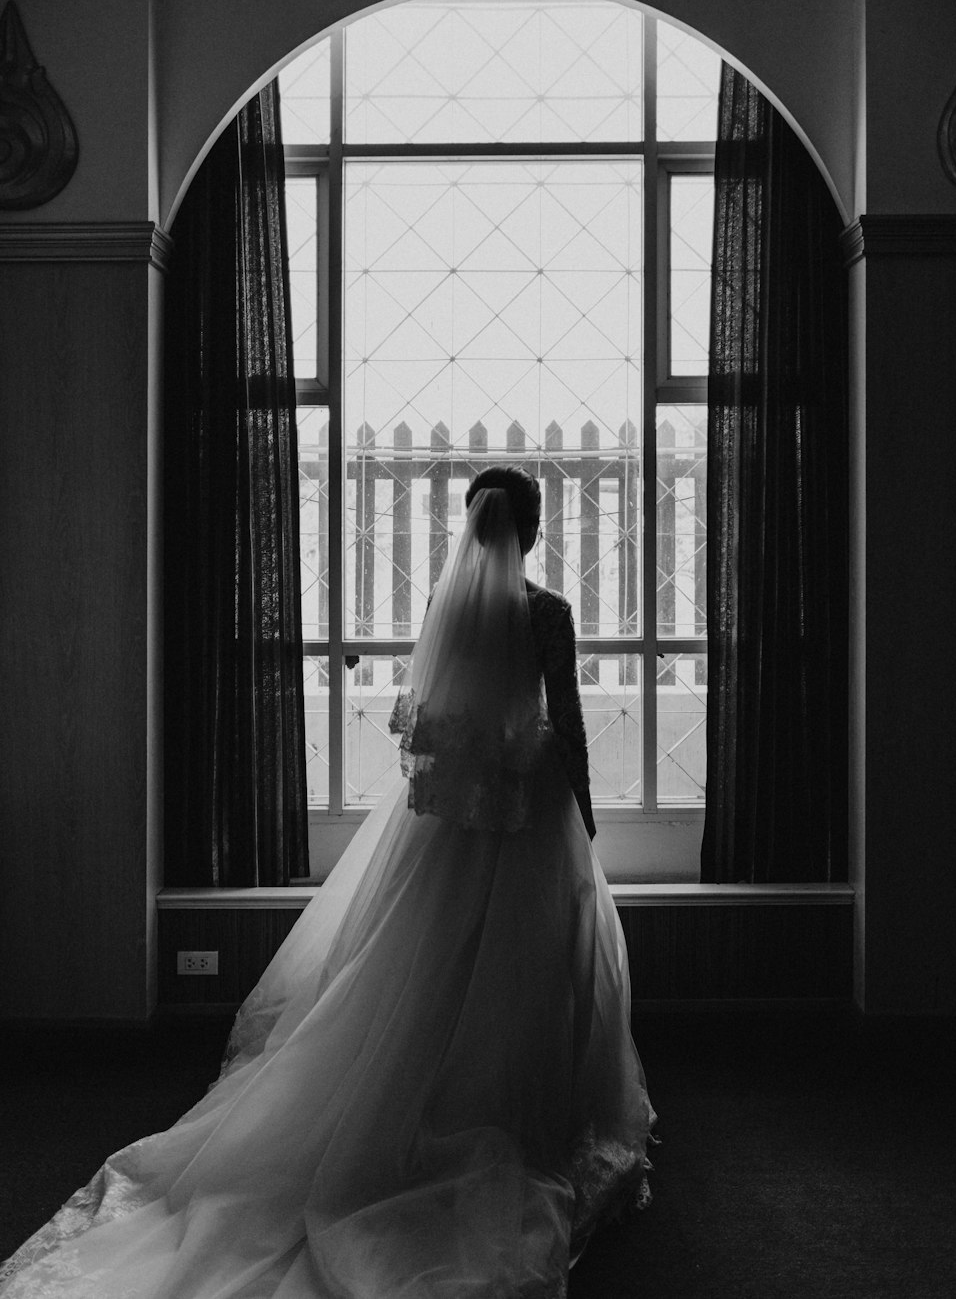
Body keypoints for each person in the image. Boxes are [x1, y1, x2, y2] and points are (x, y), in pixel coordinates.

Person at [1, 467, 654, 1299]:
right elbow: (563, 718)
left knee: (415, 960)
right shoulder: (548, 612)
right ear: (529, 529)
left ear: (470, 530)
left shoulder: (443, 610)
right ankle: (519, 1111)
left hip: (448, 818)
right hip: (526, 813)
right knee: (534, 961)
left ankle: (412, 1094)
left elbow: (425, 721)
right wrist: (586, 809)